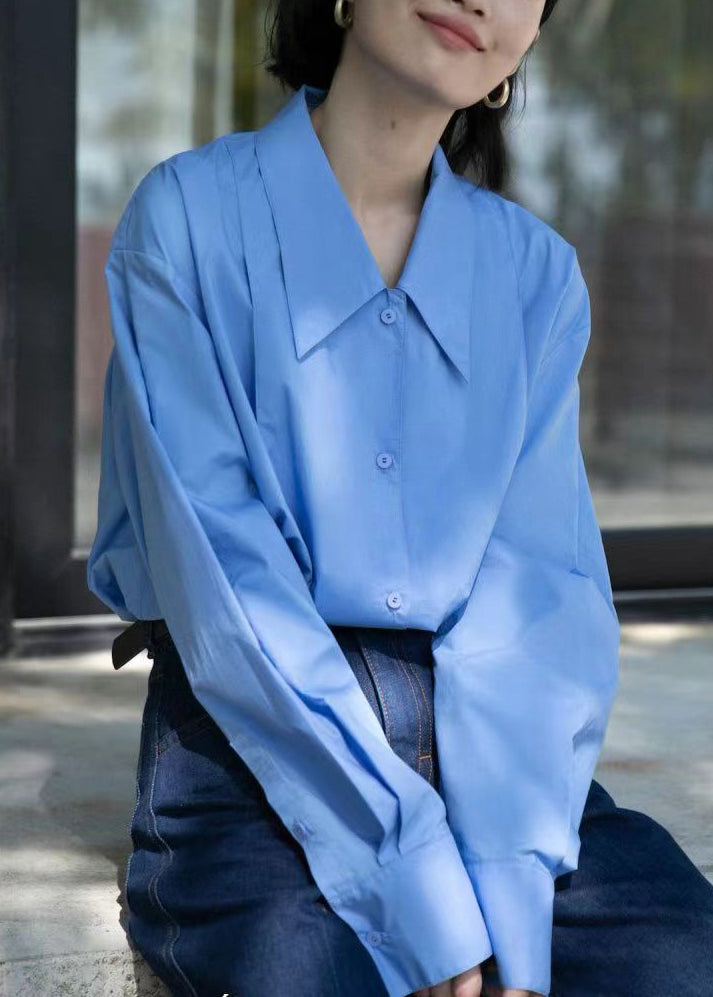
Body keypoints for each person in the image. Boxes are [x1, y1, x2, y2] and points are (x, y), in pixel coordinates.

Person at [86, 0, 713, 995]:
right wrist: (410, 881)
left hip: (491, 747)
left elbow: (533, 601)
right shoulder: (187, 221)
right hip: (247, 741)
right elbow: (230, 591)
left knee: (683, 961)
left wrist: (503, 875)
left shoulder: (534, 277)